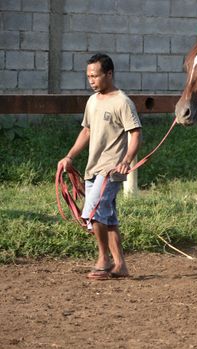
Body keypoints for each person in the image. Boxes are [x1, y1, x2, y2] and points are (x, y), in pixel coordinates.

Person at [57, 53, 142, 280]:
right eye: (88, 76)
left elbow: (135, 134)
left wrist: (125, 161)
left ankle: (103, 259)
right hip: (92, 169)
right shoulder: (92, 101)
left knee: (94, 212)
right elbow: (87, 131)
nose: (91, 80)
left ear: (109, 74)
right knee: (108, 217)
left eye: (95, 76)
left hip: (111, 169)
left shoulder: (122, 102)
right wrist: (69, 156)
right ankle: (121, 265)